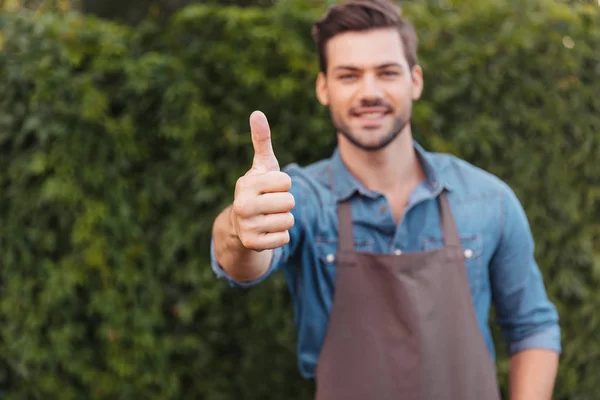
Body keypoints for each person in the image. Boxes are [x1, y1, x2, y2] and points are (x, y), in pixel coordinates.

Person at [210, 0, 561, 398]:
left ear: (415, 81)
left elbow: (533, 325)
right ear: (324, 88)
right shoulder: (302, 199)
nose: (370, 92)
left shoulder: (488, 199)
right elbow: (242, 263)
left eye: (387, 72)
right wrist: (239, 230)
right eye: (349, 75)